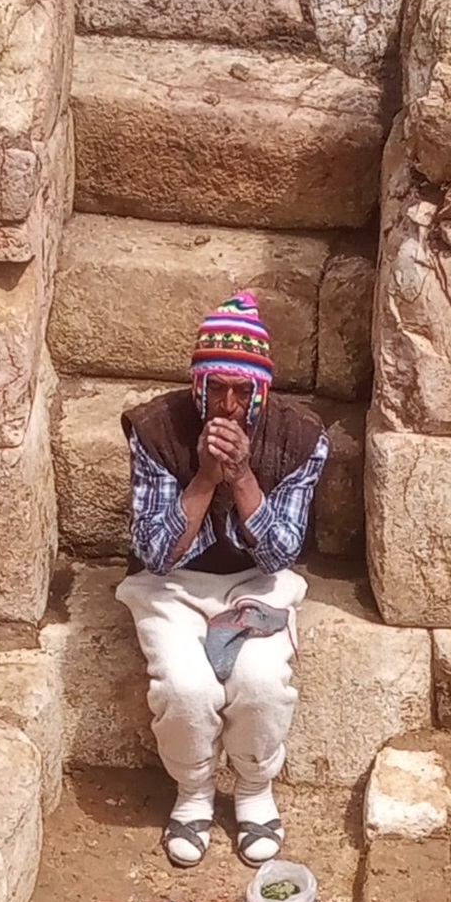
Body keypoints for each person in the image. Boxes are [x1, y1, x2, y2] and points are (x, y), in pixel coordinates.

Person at [116, 291, 329, 869]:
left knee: (261, 682)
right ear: (198, 386)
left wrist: (241, 478)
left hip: (256, 582)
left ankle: (255, 790)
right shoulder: (157, 429)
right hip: (173, 584)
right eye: (217, 389)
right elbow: (156, 553)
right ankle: (194, 792)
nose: (229, 406)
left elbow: (282, 550)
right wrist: (205, 478)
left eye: (243, 392)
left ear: (262, 392)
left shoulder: (302, 437)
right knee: (186, 689)